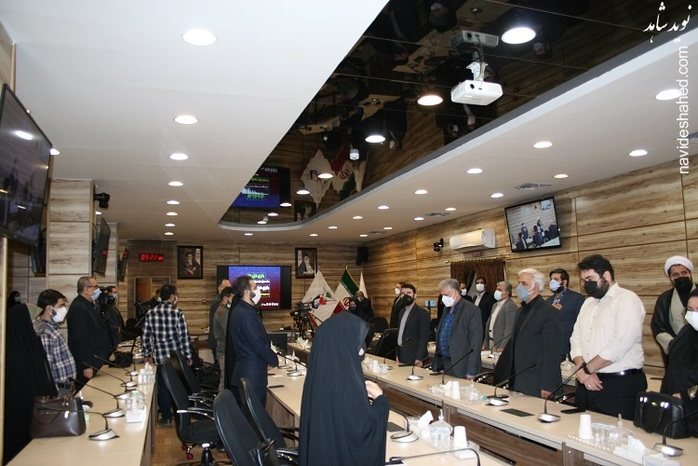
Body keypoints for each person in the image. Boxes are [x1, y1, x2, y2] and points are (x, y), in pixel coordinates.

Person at [299, 312, 389, 466]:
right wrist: (381, 401)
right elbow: (363, 434)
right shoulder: (346, 382)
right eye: (358, 341)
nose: (362, 350)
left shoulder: (318, 376)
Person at [570, 254, 647, 420]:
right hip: (586, 381)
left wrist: (587, 370)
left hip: (618, 385)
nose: (586, 284)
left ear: (606, 275)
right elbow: (575, 339)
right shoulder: (588, 303)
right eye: (584, 280)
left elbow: (619, 345)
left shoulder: (626, 299)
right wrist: (582, 369)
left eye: (590, 279)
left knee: (616, 434)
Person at [3, 300, 57, 464]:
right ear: (23, 324)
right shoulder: (11, 356)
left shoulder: (32, 343)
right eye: (35, 320)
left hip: (39, 419)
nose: (39, 323)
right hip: (22, 421)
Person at [496, 269, 562, 398]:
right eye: (519, 283)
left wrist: (547, 385)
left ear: (536, 286)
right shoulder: (520, 311)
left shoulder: (548, 312)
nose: (519, 287)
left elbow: (552, 352)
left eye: (524, 284)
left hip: (537, 381)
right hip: (517, 378)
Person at [142, 284, 194, 427]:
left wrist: (147, 354)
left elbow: (146, 336)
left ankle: (166, 417)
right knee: (178, 387)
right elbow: (184, 337)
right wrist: (188, 356)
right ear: (171, 296)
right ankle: (181, 416)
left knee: (163, 388)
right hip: (176, 358)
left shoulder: (150, 313)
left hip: (160, 357)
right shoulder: (178, 313)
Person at [226, 275, 278, 407]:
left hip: (246, 372)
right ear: (247, 292)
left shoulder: (239, 310)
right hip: (253, 375)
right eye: (255, 287)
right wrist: (273, 359)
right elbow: (257, 343)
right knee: (254, 415)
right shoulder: (246, 314)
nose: (258, 290)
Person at [661, 289, 698, 436]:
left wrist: (685, 395)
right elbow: (673, 367)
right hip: (678, 411)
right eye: (690, 309)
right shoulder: (686, 332)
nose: (693, 314)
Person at [66, 276, 111, 389]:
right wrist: (86, 365)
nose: (98, 290)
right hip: (88, 363)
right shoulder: (78, 307)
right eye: (95, 287)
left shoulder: (88, 304)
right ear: (86, 289)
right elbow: (80, 339)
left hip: (96, 360)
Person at [432, 278, 482, 379]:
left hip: (461, 365)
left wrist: (471, 371)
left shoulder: (471, 310)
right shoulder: (446, 309)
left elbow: (475, 342)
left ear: (455, 293)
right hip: (444, 363)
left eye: (446, 295)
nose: (443, 298)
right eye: (442, 295)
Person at [652, 256, 694, 364]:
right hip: (678, 354)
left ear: (690, 273)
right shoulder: (665, 299)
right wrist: (674, 344)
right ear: (670, 278)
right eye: (675, 274)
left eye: (683, 273)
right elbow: (658, 326)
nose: (680, 277)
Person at [33, 289, 76, 390]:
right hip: (58, 389)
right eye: (61, 306)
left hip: (66, 386)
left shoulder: (53, 327)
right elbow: (47, 367)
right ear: (49, 308)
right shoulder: (45, 332)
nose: (64, 309)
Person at [547, 268, 585, 360]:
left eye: (555, 279)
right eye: (551, 280)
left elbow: (583, 323)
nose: (552, 282)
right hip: (552, 348)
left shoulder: (576, 298)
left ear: (564, 282)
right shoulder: (548, 301)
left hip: (569, 348)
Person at [395, 283, 430, 367]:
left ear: (415, 295)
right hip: (402, 354)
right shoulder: (401, 312)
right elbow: (400, 333)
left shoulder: (422, 313)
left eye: (409, 293)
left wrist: (419, 358)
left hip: (415, 357)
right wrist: (397, 354)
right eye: (403, 293)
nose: (406, 295)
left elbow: (424, 337)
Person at [483, 281, 517, 351]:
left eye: (499, 290)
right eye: (496, 289)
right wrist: (485, 343)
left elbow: (509, 329)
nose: (496, 292)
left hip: (500, 345)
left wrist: (503, 346)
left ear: (507, 292)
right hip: (491, 342)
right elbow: (490, 324)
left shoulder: (510, 306)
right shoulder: (495, 305)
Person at [213, 286, 234, 392]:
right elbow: (229, 332)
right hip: (224, 352)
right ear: (226, 298)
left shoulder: (225, 310)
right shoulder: (222, 312)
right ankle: (220, 401)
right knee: (224, 382)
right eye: (232, 298)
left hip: (225, 350)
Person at [208, 278, 231, 365]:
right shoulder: (218, 302)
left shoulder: (219, 301)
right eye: (226, 287)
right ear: (219, 288)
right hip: (219, 342)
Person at [473, 276, 496, 341]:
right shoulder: (475, 298)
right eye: (477, 283)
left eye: (481, 283)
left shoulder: (490, 297)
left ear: (485, 284)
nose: (479, 284)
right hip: (475, 328)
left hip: (484, 329)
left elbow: (491, 314)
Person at [103, 285, 125, 349]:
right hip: (112, 337)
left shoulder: (114, 307)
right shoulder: (107, 307)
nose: (116, 294)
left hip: (118, 336)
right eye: (114, 292)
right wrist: (116, 329)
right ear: (109, 293)